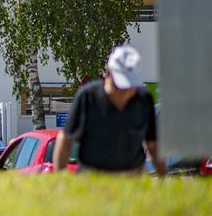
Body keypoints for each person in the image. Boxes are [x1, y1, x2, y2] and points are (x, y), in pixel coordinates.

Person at [54, 45, 164, 175]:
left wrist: (162, 176)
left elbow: (152, 144)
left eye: (131, 85)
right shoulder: (87, 97)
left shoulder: (143, 100)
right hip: (93, 173)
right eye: (121, 85)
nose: (126, 92)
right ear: (108, 72)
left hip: (134, 173)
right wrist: (60, 177)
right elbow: (65, 139)